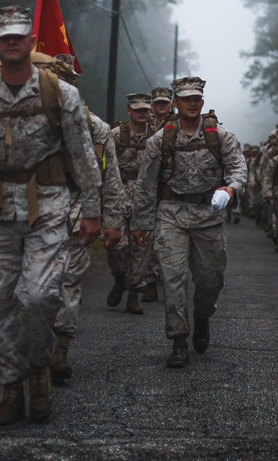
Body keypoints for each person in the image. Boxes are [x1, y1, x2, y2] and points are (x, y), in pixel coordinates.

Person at [0, 5, 103, 425]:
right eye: (5, 37)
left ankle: (39, 371)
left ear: (31, 42)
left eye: (20, 36)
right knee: (0, 304)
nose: (13, 42)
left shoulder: (61, 94)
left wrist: (91, 209)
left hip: (49, 206)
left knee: (38, 297)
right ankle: (11, 388)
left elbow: (83, 155)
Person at [130, 77, 247, 368]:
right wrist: (140, 223)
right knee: (173, 279)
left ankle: (203, 317)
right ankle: (179, 340)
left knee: (210, 280)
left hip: (208, 216)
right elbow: (145, 183)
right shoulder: (162, 139)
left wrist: (231, 188)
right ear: (176, 103)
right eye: (185, 99)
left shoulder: (219, 136)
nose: (192, 103)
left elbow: (238, 168)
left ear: (203, 101)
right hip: (171, 214)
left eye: (196, 98)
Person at [51, 102, 125, 377]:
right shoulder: (23, 115)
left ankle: (60, 348)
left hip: (77, 214)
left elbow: (110, 177)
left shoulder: (95, 128)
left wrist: (113, 222)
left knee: (69, 281)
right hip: (30, 217)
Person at [106, 93, 156, 314]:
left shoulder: (157, 137)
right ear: (129, 111)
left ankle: (135, 293)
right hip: (118, 195)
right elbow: (104, 165)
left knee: (141, 249)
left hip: (145, 198)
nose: (142, 113)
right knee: (116, 246)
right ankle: (119, 278)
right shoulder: (115, 135)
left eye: (145, 109)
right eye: (137, 109)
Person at [140, 86, 174, 302]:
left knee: (166, 236)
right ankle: (149, 280)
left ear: (171, 103)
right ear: (153, 104)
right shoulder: (142, 122)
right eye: (158, 103)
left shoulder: (178, 124)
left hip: (169, 185)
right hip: (145, 181)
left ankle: (164, 275)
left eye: (165, 102)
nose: (161, 106)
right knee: (147, 235)